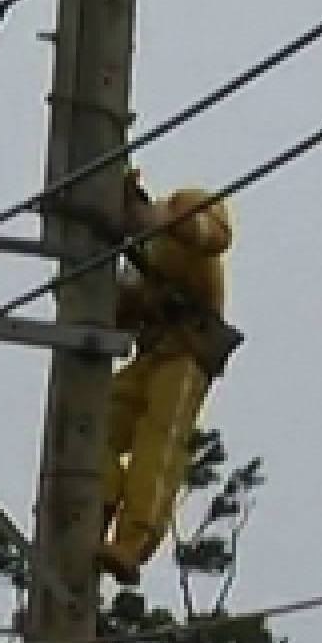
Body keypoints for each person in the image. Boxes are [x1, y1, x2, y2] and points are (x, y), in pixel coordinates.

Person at [98, 171, 233, 585]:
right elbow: (121, 316)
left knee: (158, 444)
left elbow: (216, 234)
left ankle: (132, 543)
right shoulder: (142, 251)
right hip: (153, 354)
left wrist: (170, 221)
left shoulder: (182, 204)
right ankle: (97, 504)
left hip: (187, 355)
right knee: (92, 427)